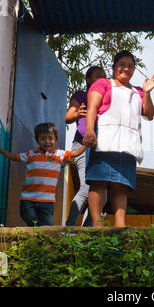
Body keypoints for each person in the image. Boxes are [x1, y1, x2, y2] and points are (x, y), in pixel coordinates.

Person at [83, 50, 154, 227]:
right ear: (114, 67)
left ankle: (120, 225)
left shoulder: (138, 91)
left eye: (130, 66)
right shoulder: (103, 83)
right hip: (104, 138)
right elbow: (92, 108)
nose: (126, 69)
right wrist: (89, 131)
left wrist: (147, 93)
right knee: (98, 182)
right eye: (122, 65)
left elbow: (149, 114)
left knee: (120, 186)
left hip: (128, 143)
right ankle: (97, 223)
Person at [0, 123, 86, 226]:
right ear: (37, 140)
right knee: (28, 216)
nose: (47, 141)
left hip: (47, 200)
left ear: (56, 140)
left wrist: (86, 145)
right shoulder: (31, 154)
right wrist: (1, 150)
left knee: (47, 224)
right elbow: (14, 157)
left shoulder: (59, 154)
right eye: (43, 139)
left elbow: (75, 153)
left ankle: (40, 236)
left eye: (50, 138)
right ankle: (36, 230)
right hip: (28, 197)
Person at [64, 66, 106, 227]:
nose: (101, 78)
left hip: (101, 147)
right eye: (97, 76)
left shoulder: (106, 97)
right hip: (82, 145)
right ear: (88, 80)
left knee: (104, 195)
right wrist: (76, 114)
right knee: (87, 187)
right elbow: (68, 117)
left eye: (104, 76)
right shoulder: (81, 95)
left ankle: (88, 229)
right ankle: (70, 225)